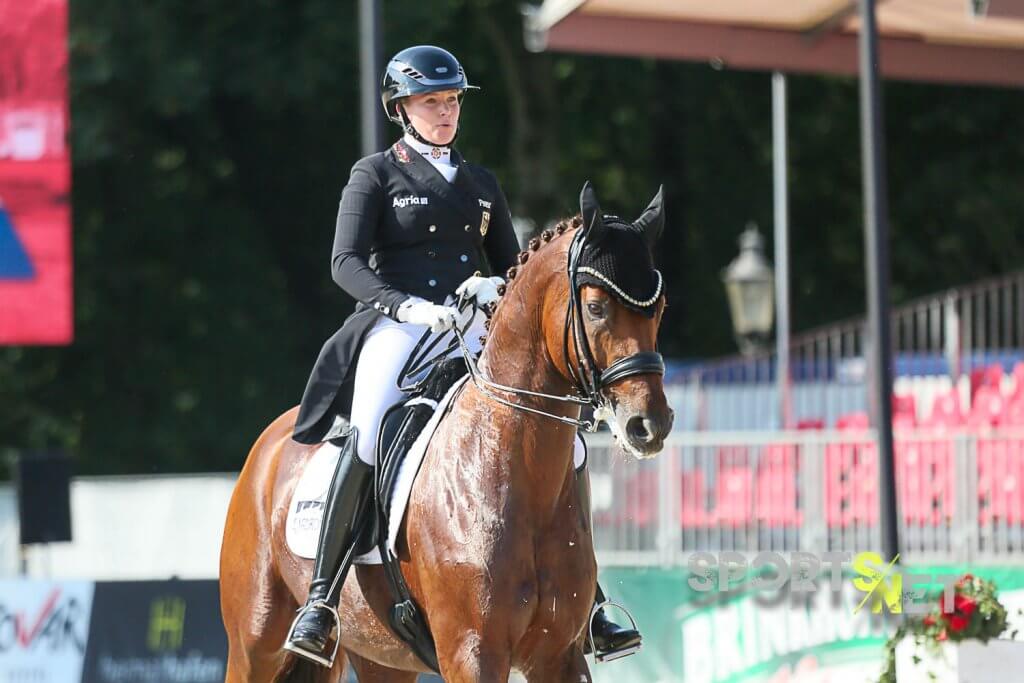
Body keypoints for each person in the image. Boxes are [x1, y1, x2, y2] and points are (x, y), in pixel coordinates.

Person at [283, 45, 641, 666]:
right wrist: (405, 307)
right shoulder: (375, 175)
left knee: (572, 441)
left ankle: (592, 601)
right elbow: (344, 263)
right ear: (402, 109)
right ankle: (320, 597)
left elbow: (513, 270)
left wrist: (493, 289)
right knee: (369, 431)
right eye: (431, 102)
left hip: (470, 329)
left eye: (451, 101)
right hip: (397, 328)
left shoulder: (480, 184)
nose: (445, 113)